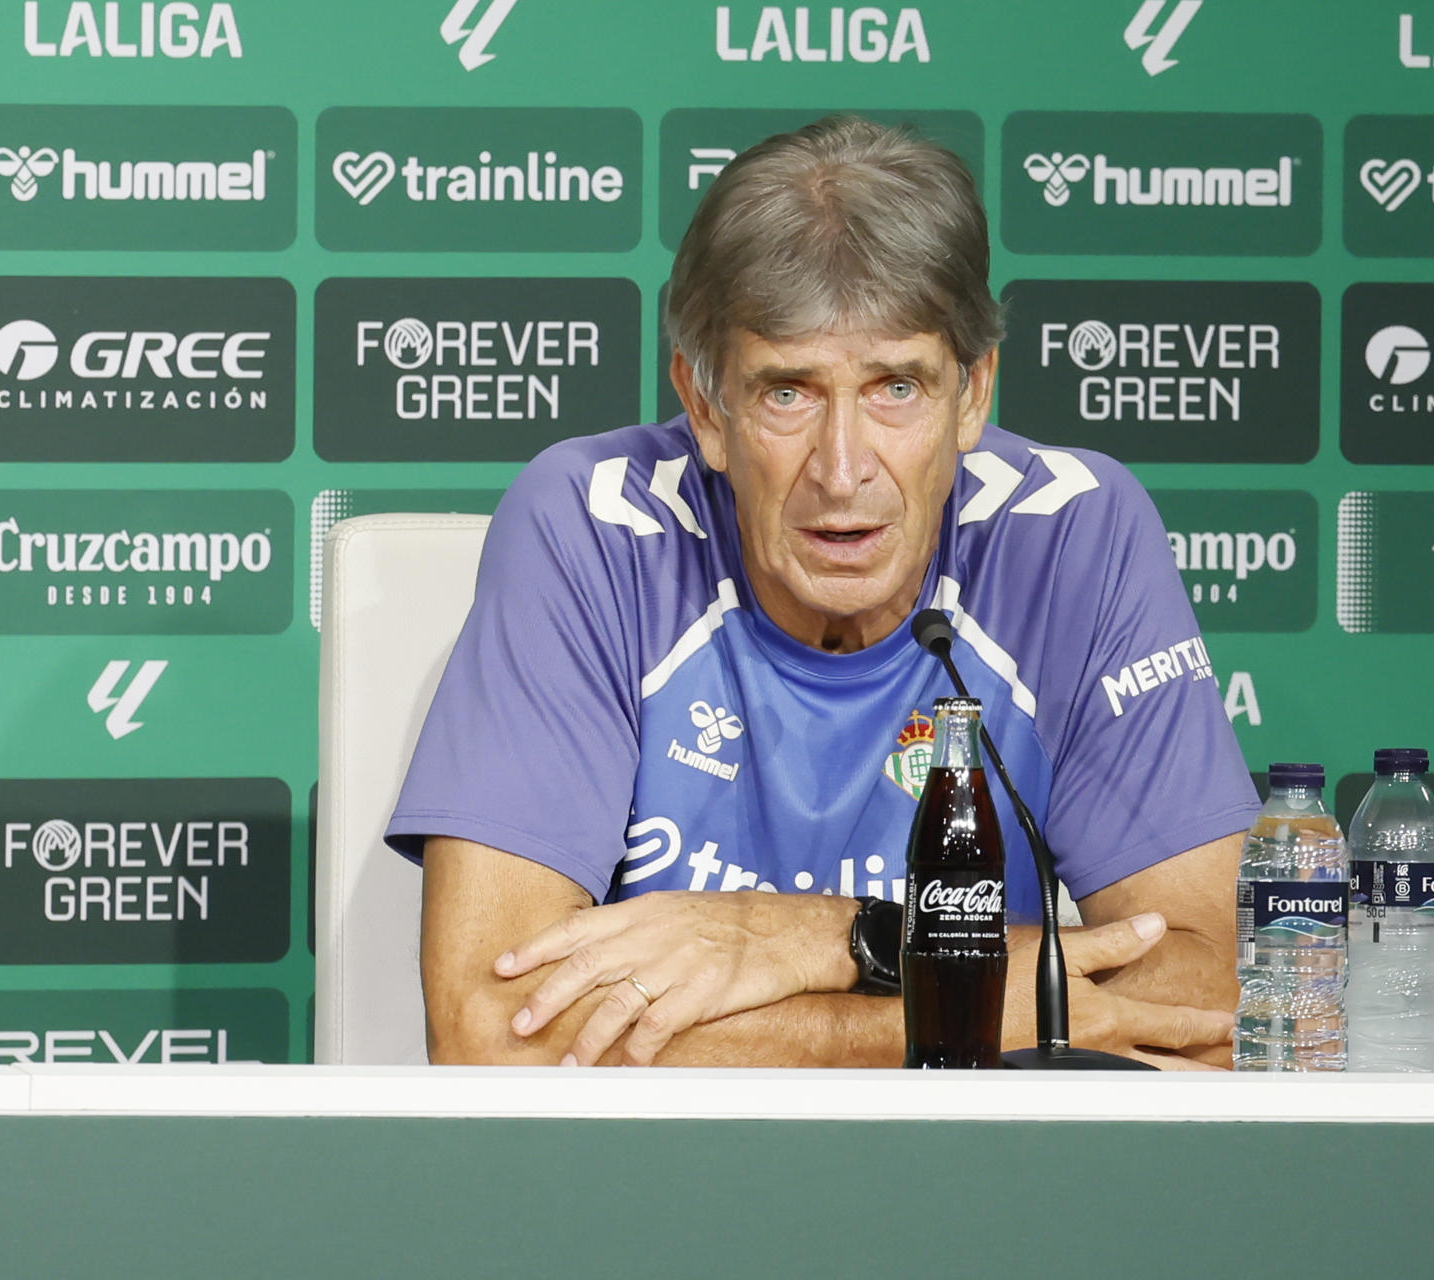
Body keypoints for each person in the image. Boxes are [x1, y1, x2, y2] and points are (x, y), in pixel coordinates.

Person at [387, 116, 1263, 1069]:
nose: (843, 472)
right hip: (661, 1189)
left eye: (896, 387)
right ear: (705, 406)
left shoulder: (1073, 533)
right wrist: (984, 1010)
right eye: (787, 393)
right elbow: (495, 1035)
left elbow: (1217, 995)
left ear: (973, 396)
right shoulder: (590, 526)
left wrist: (807, 938)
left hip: (976, 1185)